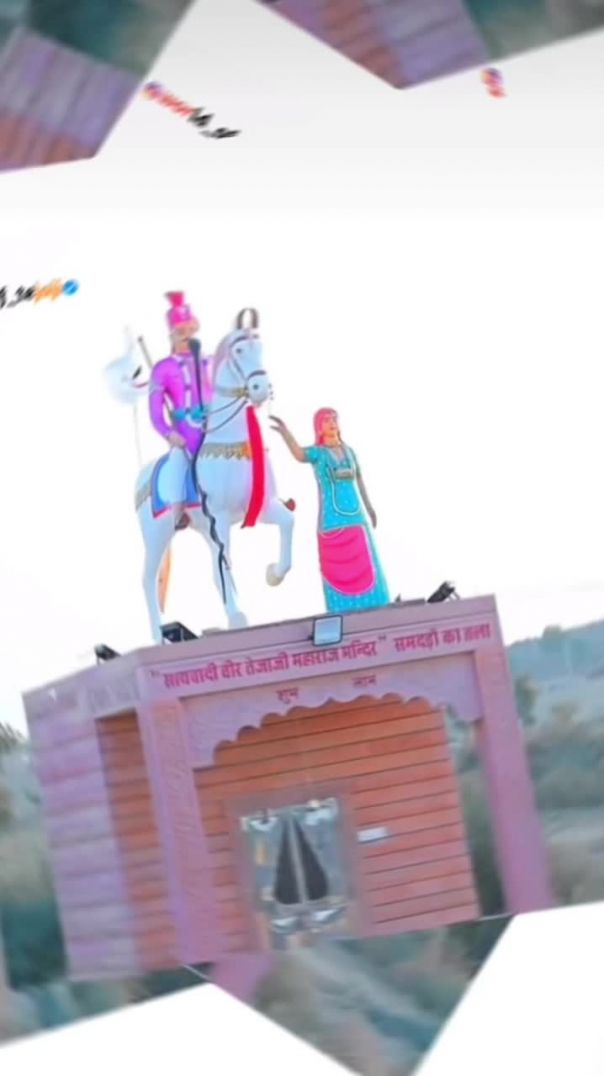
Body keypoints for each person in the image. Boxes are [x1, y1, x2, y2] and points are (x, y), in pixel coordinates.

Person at [270, 408, 390, 613]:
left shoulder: (349, 451)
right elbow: (299, 454)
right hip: (331, 519)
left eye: (334, 419)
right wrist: (285, 433)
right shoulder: (318, 453)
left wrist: (369, 507)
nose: (332, 423)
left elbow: (359, 479)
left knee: (366, 564)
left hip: (356, 517)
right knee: (337, 566)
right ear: (319, 427)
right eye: (327, 420)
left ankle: (376, 604)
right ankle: (341, 609)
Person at [148, 291, 212, 528]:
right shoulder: (162, 368)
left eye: (190, 330)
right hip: (185, 432)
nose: (187, 336)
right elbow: (155, 412)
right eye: (181, 331)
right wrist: (168, 433)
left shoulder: (211, 361)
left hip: (215, 425)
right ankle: (178, 510)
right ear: (172, 335)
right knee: (177, 460)